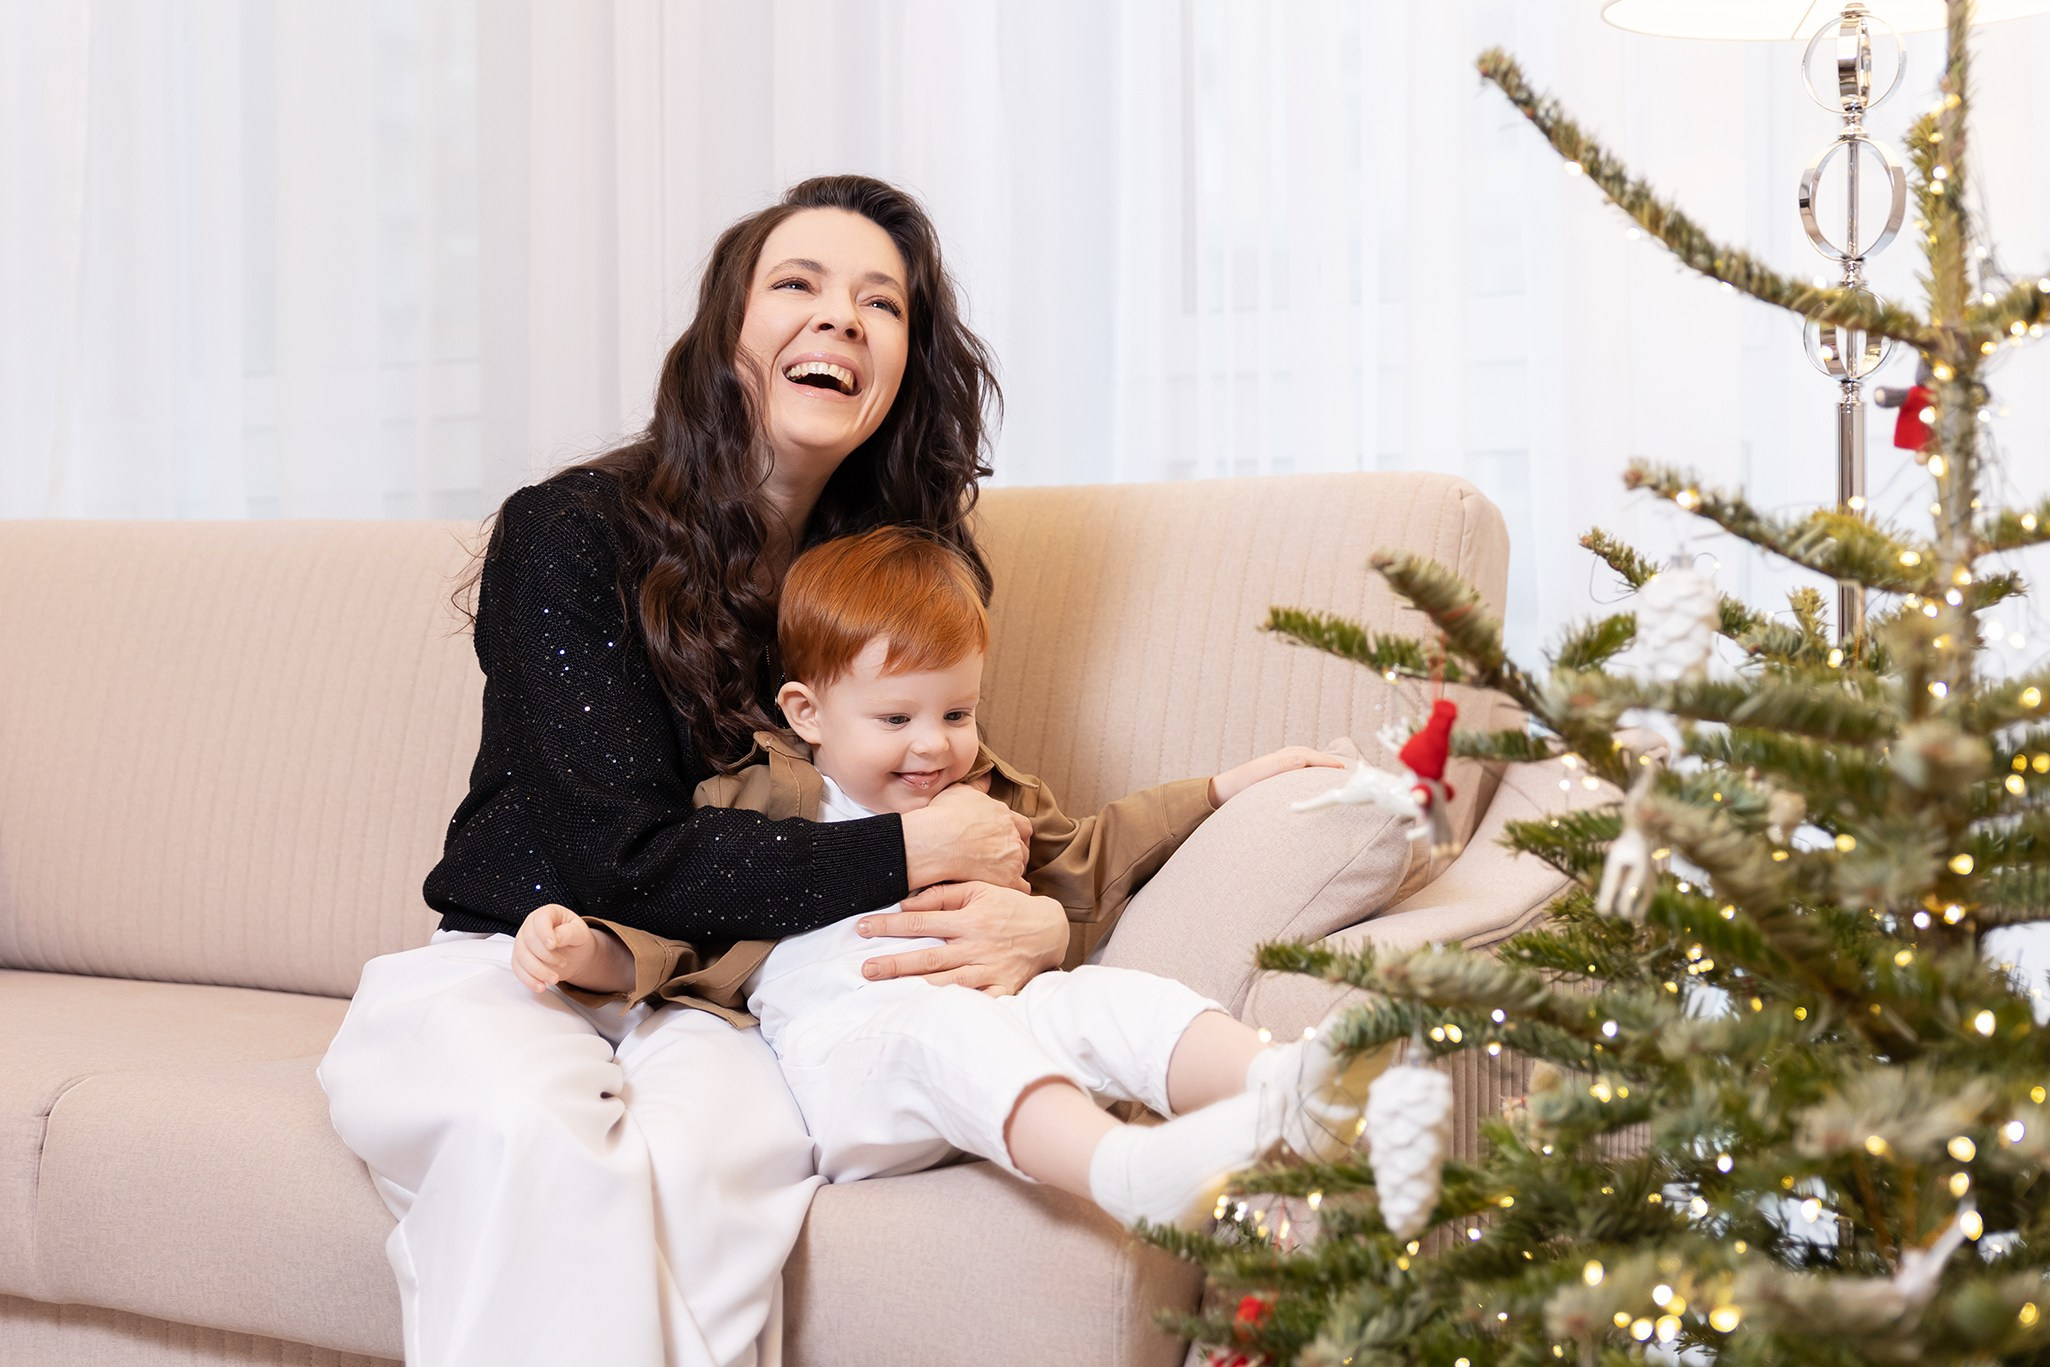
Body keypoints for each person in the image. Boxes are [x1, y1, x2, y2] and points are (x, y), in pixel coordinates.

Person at [318, 176, 1074, 1367]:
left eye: (882, 304)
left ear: (900, 373)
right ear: (728, 331)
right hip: (521, 964)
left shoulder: (873, 585)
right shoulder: (570, 529)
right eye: (798, 285)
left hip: (730, 1004)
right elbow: (618, 853)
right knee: (536, 1143)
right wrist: (910, 850)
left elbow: (976, 802)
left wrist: (1035, 920)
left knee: (730, 1169)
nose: (840, 318)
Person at [511, 526, 1376, 1230]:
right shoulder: (756, 800)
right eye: (897, 717)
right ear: (807, 713)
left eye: (957, 712)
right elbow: (678, 920)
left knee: (1113, 999)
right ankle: (1118, 1170)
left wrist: (1223, 790)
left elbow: (1095, 850)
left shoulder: (983, 795)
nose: (935, 745)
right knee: (945, 1035)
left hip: (993, 1011)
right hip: (851, 1064)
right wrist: (583, 947)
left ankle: (1291, 1089)